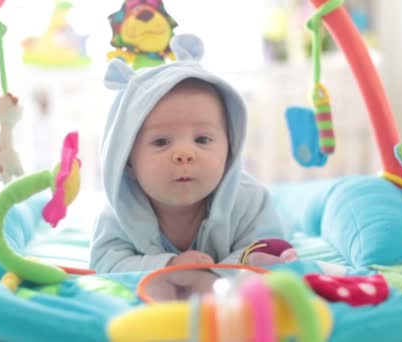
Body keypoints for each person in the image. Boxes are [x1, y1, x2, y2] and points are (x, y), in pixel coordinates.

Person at [90, 34, 285, 272]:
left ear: (229, 150)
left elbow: (267, 253)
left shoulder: (249, 203)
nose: (184, 154)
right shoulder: (120, 213)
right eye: (161, 142)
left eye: (202, 139)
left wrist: (212, 275)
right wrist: (169, 266)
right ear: (127, 161)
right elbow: (104, 264)